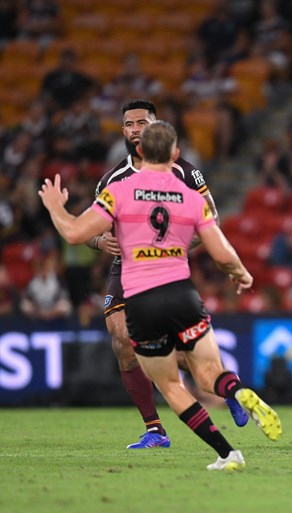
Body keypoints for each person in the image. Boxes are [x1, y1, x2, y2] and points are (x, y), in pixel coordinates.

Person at [38, 121, 282, 471]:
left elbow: (76, 234)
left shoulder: (119, 190)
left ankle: (228, 454)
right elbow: (222, 251)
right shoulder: (191, 197)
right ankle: (235, 390)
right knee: (210, 370)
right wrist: (240, 274)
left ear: (138, 151)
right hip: (183, 295)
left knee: (170, 385)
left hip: (142, 299)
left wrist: (55, 208)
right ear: (176, 154)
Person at [87, 99, 248, 449]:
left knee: (156, 349)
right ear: (123, 130)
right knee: (121, 340)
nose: (135, 129)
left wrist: (171, 247)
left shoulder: (186, 173)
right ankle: (156, 430)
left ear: (156, 125)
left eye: (141, 122)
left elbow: (212, 221)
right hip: (126, 266)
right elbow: (87, 229)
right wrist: (100, 241)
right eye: (128, 124)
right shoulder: (112, 179)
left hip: (167, 267)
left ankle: (223, 383)